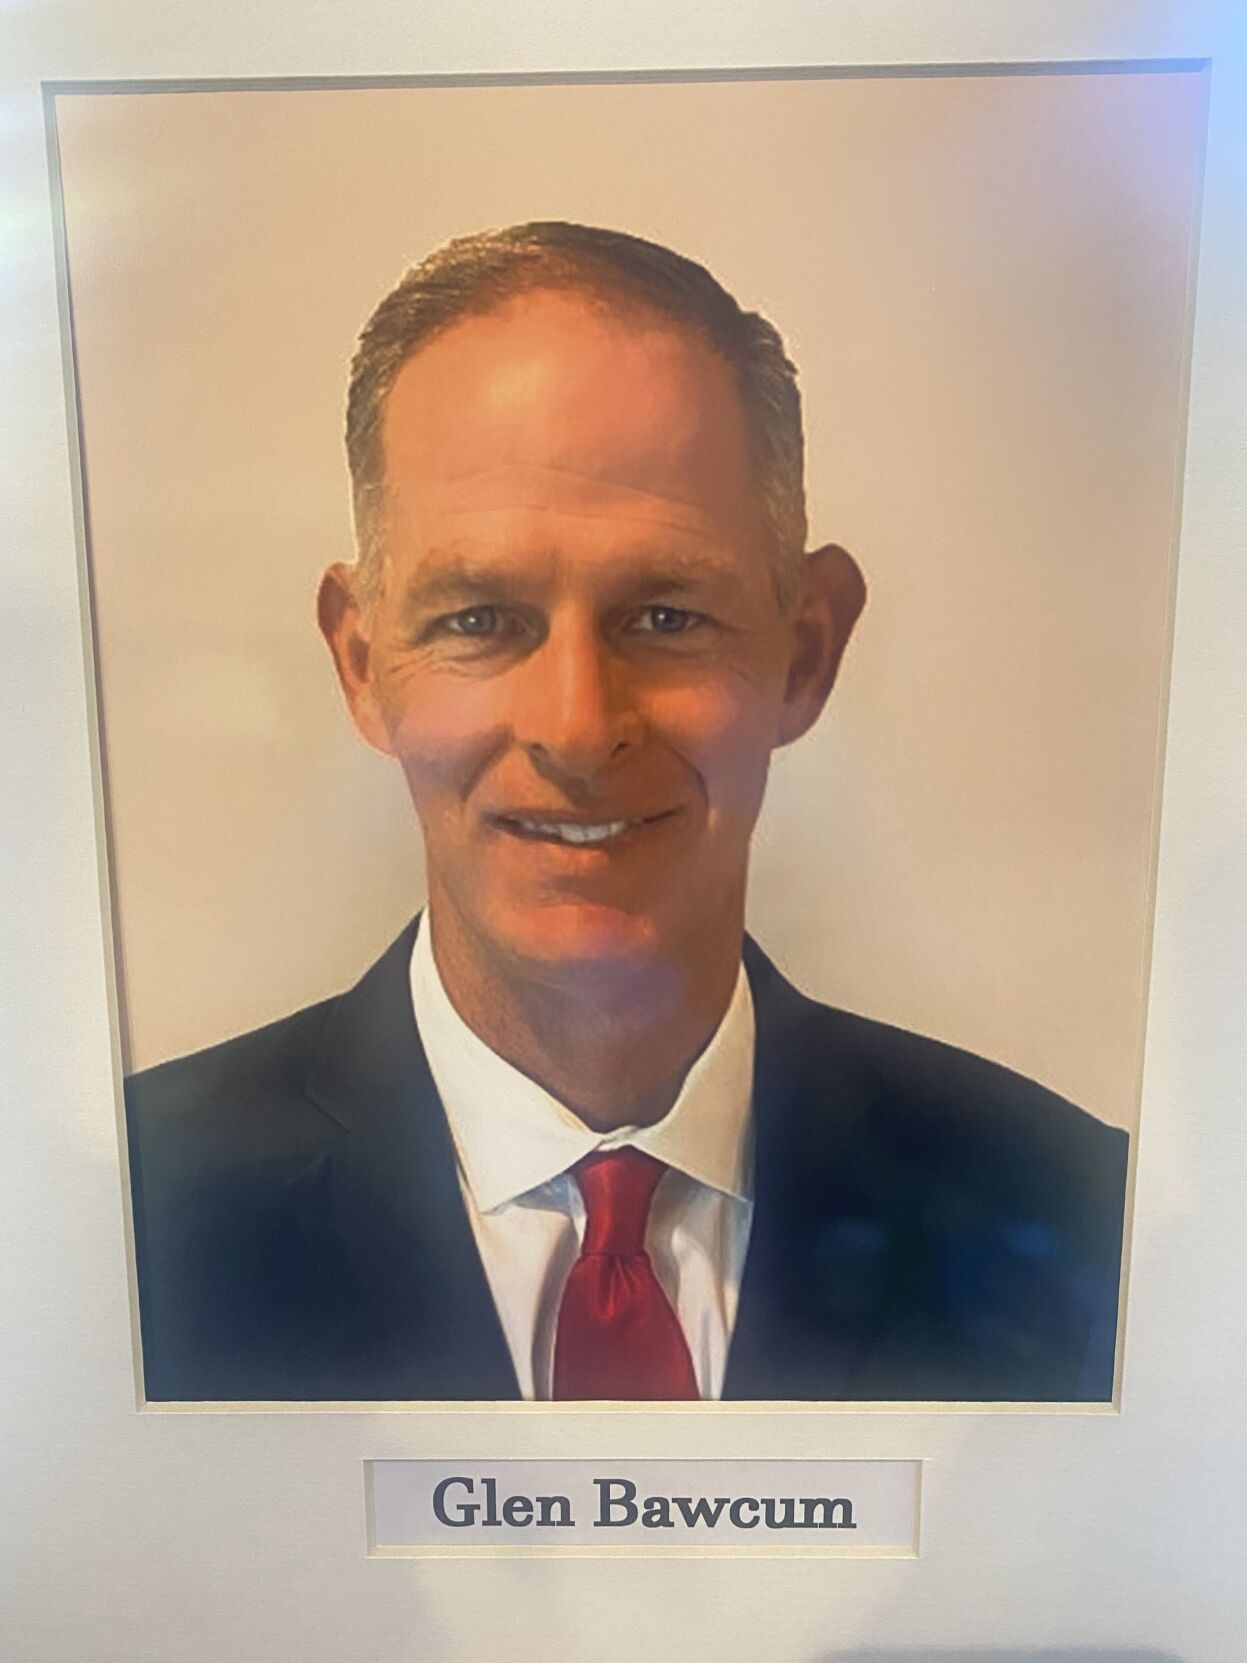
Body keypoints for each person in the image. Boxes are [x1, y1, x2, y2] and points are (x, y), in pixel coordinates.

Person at [125, 222, 1127, 1404]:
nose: (577, 726)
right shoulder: (116, 1229)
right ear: (360, 662)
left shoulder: (1081, 1220)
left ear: (805, 651)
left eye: (664, 617)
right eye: (478, 619)